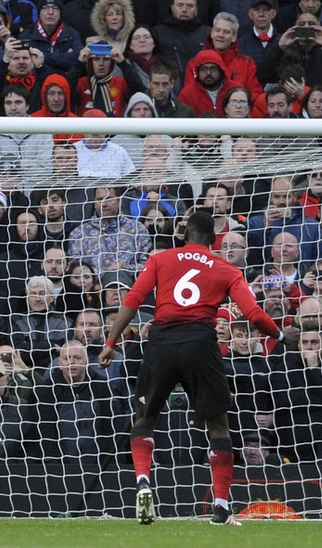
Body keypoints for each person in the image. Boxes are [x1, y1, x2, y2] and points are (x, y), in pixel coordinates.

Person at [98, 211, 300, 527]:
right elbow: (252, 313)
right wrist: (281, 336)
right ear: (213, 240)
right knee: (218, 425)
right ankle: (220, 507)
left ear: (185, 235)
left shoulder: (160, 259)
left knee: (145, 418)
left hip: (162, 342)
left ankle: (143, 481)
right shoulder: (226, 268)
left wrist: (111, 342)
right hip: (201, 345)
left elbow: (134, 299)